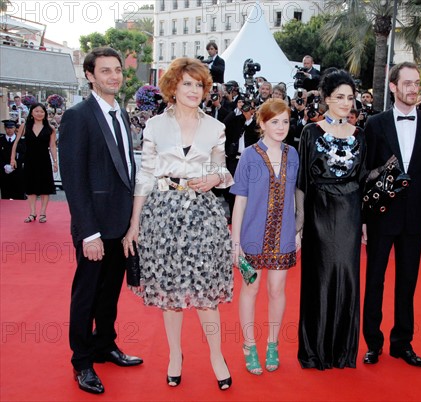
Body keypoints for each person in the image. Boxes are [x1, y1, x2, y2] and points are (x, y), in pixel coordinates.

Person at [123, 57, 233, 391]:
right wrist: (134, 224)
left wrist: (214, 176)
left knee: (204, 292)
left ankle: (217, 356)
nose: (194, 90)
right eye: (187, 83)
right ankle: (175, 355)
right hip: (163, 213)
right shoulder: (155, 125)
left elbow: (225, 171)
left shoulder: (215, 127)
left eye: (199, 85)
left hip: (202, 215)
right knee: (170, 292)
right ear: (173, 87)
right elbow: (144, 175)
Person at [59, 47, 142, 395]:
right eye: (105, 71)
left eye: (117, 70)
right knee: (87, 295)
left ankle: (105, 344)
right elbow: (74, 178)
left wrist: (130, 224)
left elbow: (126, 169)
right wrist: (88, 233)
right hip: (94, 226)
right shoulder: (79, 116)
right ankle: (82, 360)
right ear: (90, 75)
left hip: (120, 224)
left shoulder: (120, 115)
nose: (114, 76)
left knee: (110, 294)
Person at [362, 61, 421, 367]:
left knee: (408, 282)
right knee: (375, 281)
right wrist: (366, 219)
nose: (413, 88)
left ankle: (402, 344)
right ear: (393, 87)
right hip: (382, 216)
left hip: (416, 216)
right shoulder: (375, 124)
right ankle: (373, 343)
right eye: (407, 83)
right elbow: (367, 173)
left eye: (416, 82)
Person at [296, 69, 367, 370]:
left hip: (350, 213)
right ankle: (315, 352)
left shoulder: (360, 135)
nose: (346, 103)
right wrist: (300, 221)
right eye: (339, 97)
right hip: (318, 213)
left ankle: (342, 351)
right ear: (326, 99)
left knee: (348, 278)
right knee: (319, 279)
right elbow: (301, 182)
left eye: (350, 98)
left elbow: (362, 180)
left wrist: (364, 220)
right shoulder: (310, 133)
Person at [230, 99, 299, 375]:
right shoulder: (248, 155)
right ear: (262, 123)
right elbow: (240, 201)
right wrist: (235, 242)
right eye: (274, 121)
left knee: (277, 290)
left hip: (283, 234)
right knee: (252, 289)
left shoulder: (293, 154)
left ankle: (272, 344)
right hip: (252, 234)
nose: (280, 127)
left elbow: (295, 195)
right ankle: (249, 345)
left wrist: (298, 229)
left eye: (285, 121)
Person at [10, 103, 57, 222]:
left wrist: (55, 161)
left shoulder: (50, 129)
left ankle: (42, 213)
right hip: (29, 159)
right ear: (31, 113)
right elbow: (15, 142)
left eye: (42, 111)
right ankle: (32, 213)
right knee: (30, 186)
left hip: (44, 160)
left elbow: (52, 146)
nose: (39, 113)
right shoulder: (24, 126)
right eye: (36, 111)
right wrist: (12, 158)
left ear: (45, 113)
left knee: (45, 187)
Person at [1, 120, 26, 199]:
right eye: (7, 128)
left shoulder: (22, 141)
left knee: (19, 196)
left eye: (11, 128)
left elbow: (24, 155)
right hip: (4, 171)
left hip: (18, 171)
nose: (9, 130)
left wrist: (14, 166)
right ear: (5, 128)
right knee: (5, 195)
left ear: (15, 128)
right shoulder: (1, 140)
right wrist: (4, 166)